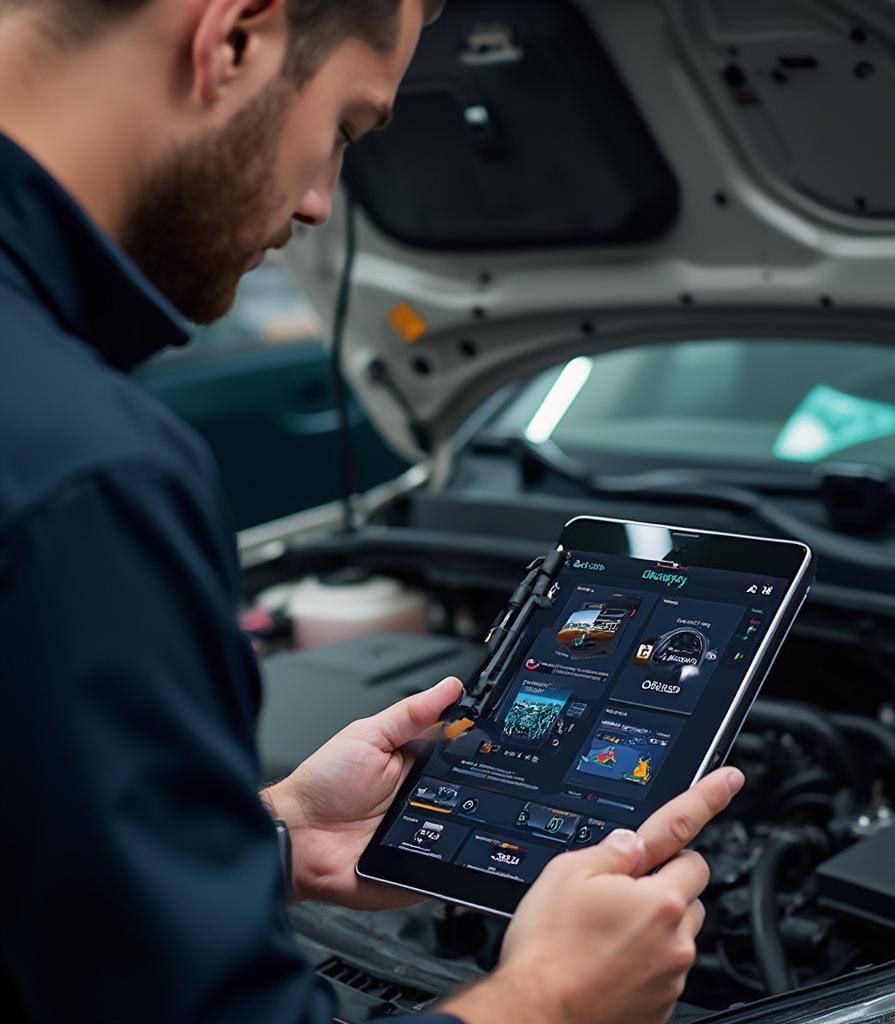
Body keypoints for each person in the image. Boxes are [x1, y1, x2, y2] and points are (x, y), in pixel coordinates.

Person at [0, 2, 745, 1022]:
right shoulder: (86, 474)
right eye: (347, 127)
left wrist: (272, 836)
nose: (318, 203)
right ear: (234, 37)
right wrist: (559, 998)